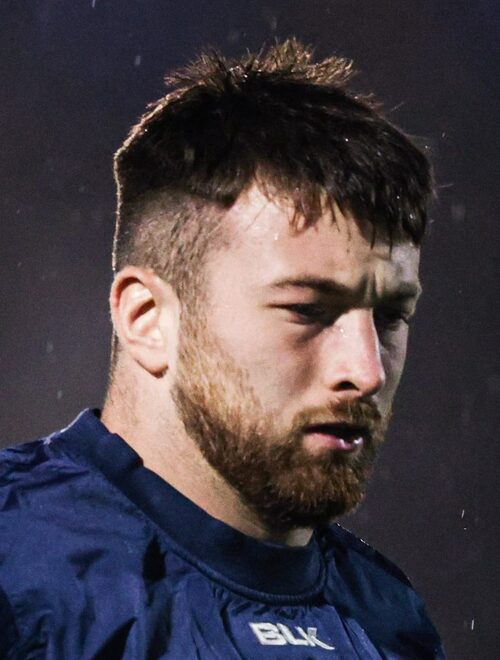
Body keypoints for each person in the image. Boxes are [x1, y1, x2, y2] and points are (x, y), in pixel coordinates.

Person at [0, 39, 444, 658]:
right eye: (306, 310)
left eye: (391, 316)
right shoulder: (15, 568)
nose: (366, 371)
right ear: (148, 319)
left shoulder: (392, 620)